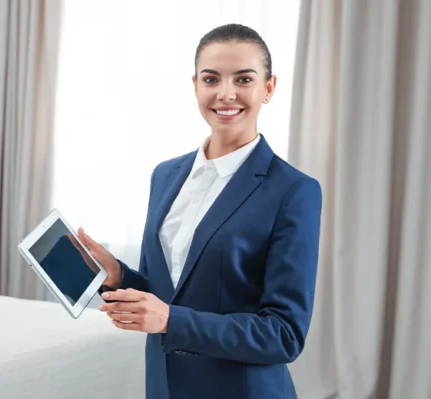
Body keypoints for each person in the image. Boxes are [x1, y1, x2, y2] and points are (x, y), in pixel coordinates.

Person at [77, 24, 322, 398]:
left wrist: (171, 321)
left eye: (243, 79)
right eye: (212, 79)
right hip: (166, 386)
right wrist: (117, 275)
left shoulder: (294, 191)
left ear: (268, 88)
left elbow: (284, 334)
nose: (226, 93)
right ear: (195, 86)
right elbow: (173, 294)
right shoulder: (165, 175)